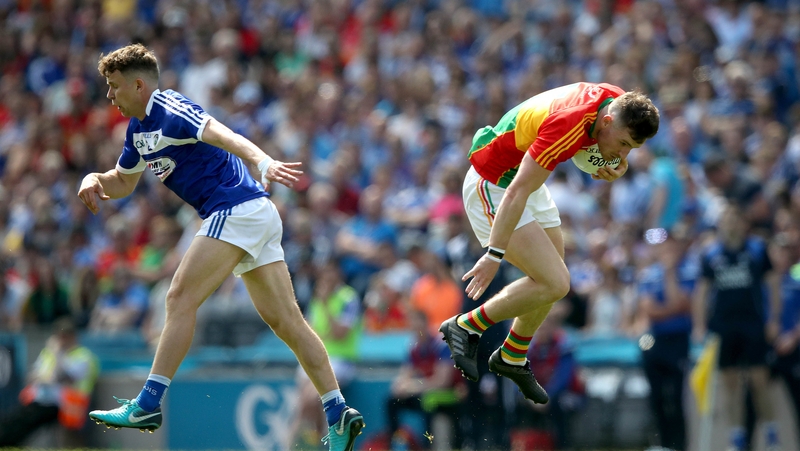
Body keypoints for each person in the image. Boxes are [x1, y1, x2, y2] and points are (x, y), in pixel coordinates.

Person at [77, 44, 363, 451]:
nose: (109, 96)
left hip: (236, 209)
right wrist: (92, 177)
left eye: (114, 86)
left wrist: (263, 162)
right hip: (254, 216)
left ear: (138, 85)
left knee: (178, 297)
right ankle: (338, 413)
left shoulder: (170, 107)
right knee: (287, 324)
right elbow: (123, 182)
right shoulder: (138, 131)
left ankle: (148, 403)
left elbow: (223, 133)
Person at [438, 83, 659, 405]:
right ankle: (466, 325)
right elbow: (515, 192)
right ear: (609, 123)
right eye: (623, 144)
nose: (623, 154)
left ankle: (512, 355)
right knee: (556, 281)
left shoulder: (616, 102)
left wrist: (609, 162)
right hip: (496, 181)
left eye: (631, 149)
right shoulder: (568, 125)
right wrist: (493, 254)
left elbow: (586, 152)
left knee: (553, 276)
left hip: (528, 178)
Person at [691, 203, 782, 451]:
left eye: (735, 219)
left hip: (752, 324)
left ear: (743, 223)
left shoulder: (757, 250)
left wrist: (773, 319)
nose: (731, 224)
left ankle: (772, 435)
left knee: (758, 381)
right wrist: (699, 325)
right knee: (730, 384)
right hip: (723, 326)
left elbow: (772, 285)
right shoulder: (710, 254)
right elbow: (702, 291)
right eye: (727, 219)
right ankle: (736, 438)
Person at [636, 228, 695, 451]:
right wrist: (671, 309)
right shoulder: (649, 274)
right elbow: (649, 308)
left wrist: (670, 275)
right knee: (657, 396)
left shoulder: (688, 271)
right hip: (656, 339)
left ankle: (679, 445)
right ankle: (662, 444)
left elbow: (682, 303)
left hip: (678, 340)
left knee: (676, 397)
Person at [0, 317, 99, 447]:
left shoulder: (83, 356)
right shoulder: (48, 353)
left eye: (65, 336)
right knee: (15, 418)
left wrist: (56, 353)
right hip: (42, 399)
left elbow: (64, 377)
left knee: (26, 419)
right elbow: (33, 375)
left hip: (67, 404)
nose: (62, 340)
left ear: (73, 337)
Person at [386, 309, 464, 450]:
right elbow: (405, 375)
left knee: (428, 400)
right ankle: (395, 442)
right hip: (426, 391)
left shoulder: (441, 345)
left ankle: (428, 446)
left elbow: (442, 381)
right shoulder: (414, 347)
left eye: (418, 322)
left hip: (451, 393)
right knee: (392, 400)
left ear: (425, 323)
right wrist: (399, 386)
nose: (415, 326)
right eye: (412, 322)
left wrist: (413, 386)